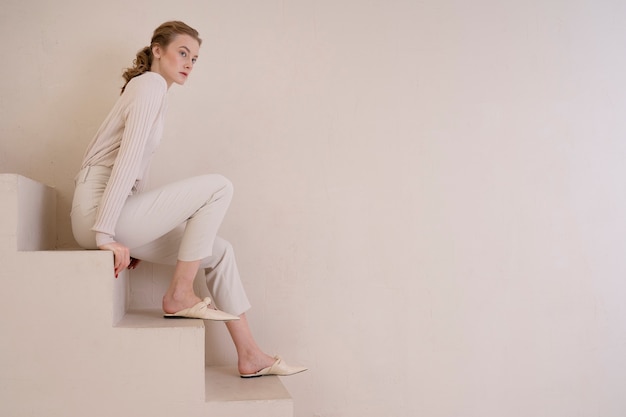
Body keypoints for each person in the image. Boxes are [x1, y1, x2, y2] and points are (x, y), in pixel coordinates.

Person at [70, 20, 306, 378]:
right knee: (219, 187)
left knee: (220, 250)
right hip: (97, 212)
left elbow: (136, 171)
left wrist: (131, 240)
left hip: (116, 213)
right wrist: (105, 234)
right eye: (183, 53)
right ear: (157, 50)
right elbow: (126, 162)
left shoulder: (153, 91)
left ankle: (249, 355)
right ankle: (179, 294)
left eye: (195, 59)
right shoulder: (149, 85)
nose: (189, 64)